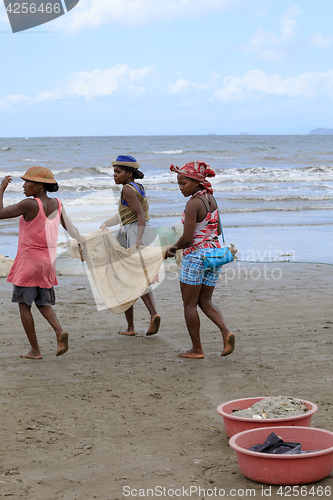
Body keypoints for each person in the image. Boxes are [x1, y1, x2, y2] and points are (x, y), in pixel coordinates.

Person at [0, 166, 85, 360]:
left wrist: (1, 189)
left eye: (28, 182)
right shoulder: (57, 204)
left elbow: (0, 213)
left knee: (24, 305)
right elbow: (72, 231)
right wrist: (85, 242)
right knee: (43, 302)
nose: (24, 186)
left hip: (28, 263)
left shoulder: (30, 204)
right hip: (48, 262)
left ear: (39, 185)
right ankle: (58, 330)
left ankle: (35, 350)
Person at [165, 161, 235, 359]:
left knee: (189, 304)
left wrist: (171, 250)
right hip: (214, 256)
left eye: (183, 183)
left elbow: (187, 239)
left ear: (196, 182)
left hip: (196, 257)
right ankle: (226, 332)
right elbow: (218, 230)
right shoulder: (211, 198)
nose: (180, 188)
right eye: (178, 184)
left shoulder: (193, 203)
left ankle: (197, 350)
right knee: (206, 301)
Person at [100, 155, 161, 336]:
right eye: (114, 172)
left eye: (118, 172)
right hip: (139, 231)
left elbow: (139, 215)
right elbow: (125, 214)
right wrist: (106, 223)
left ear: (129, 173)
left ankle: (135, 325)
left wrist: (138, 240)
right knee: (138, 278)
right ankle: (149, 316)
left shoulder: (127, 189)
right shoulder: (137, 187)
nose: (115, 175)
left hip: (134, 233)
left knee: (128, 280)